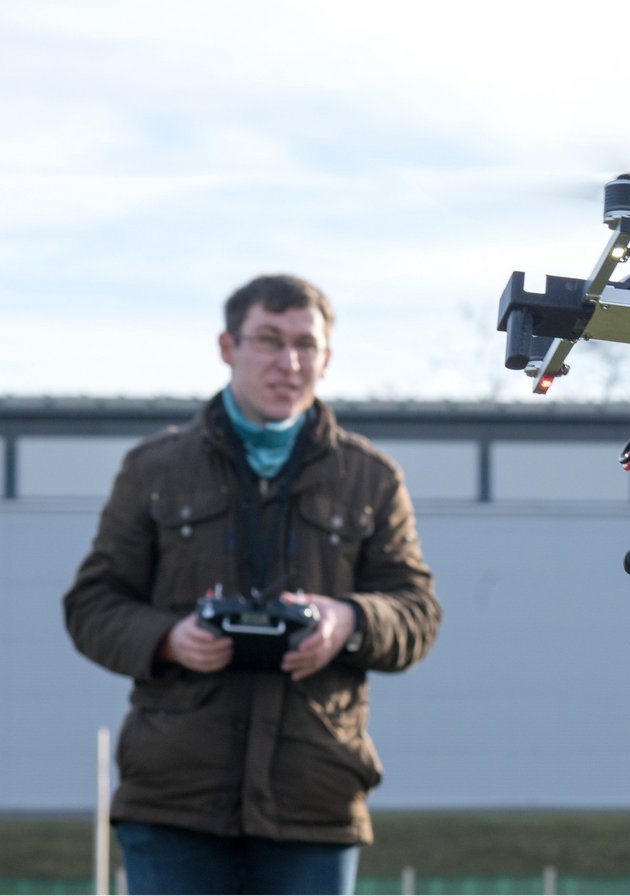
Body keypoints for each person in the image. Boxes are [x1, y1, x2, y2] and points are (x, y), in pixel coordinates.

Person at [63, 274, 442, 894]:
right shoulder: (153, 469)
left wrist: (348, 622)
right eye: (268, 340)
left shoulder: (371, 479)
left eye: (305, 345)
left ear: (327, 358)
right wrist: (169, 638)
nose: (288, 363)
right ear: (227, 346)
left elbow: (417, 612)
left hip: (314, 797)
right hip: (173, 798)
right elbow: (91, 605)